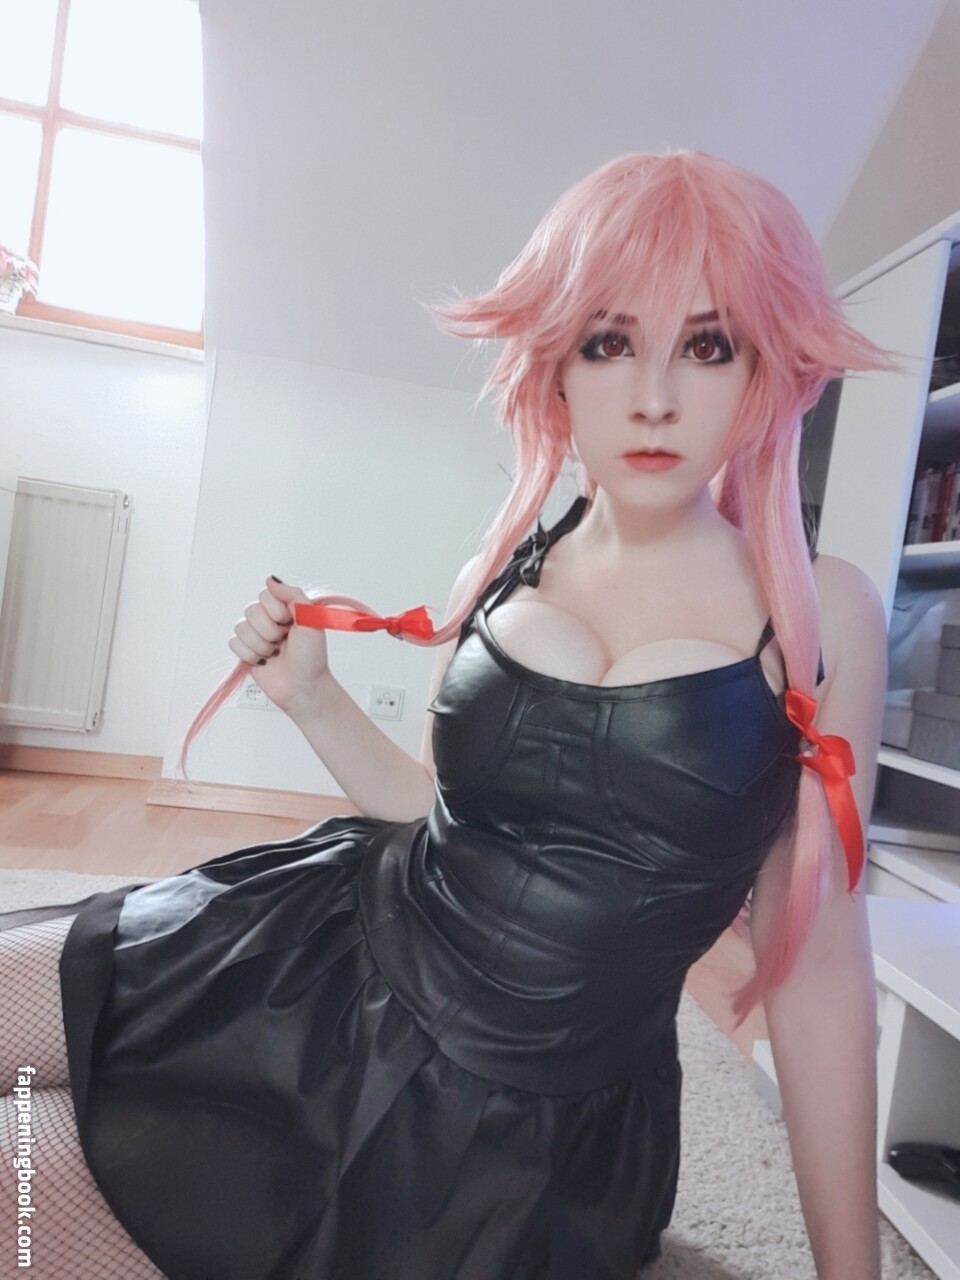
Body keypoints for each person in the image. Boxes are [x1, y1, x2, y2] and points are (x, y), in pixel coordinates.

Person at [0, 150, 891, 1280]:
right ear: (557, 364)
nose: (654, 395)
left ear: (764, 366)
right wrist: (313, 698)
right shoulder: (511, 560)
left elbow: (817, 962)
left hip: (513, 1122)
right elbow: (439, 813)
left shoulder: (821, 612)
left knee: (17, 1189)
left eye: (707, 346)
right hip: (330, 950)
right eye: (609, 342)